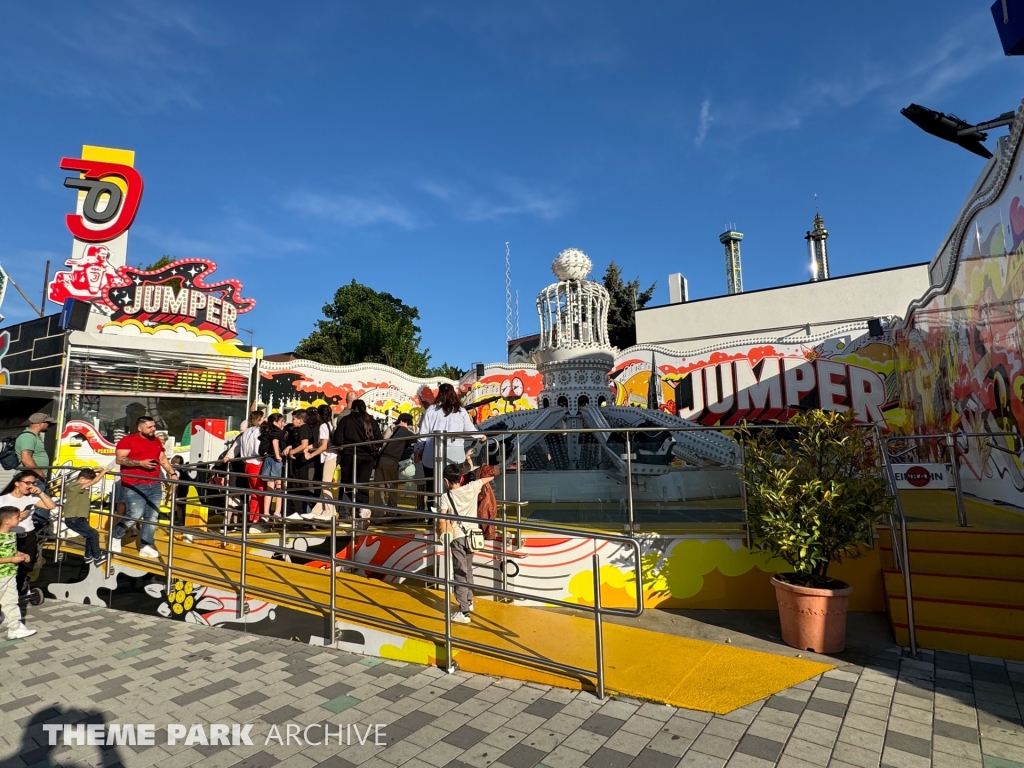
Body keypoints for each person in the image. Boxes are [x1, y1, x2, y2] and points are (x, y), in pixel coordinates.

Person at [437, 458, 495, 625]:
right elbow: (490, 476)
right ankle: (469, 602)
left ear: (446, 481)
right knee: (468, 570)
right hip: (473, 536)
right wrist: (482, 471)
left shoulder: (445, 497)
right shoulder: (471, 487)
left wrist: (442, 534)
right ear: (461, 478)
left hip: (457, 537)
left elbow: (442, 519)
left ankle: (464, 612)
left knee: (459, 573)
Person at [111, 416, 178, 558]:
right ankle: (116, 536)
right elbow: (120, 459)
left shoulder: (156, 441)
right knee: (134, 514)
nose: (153, 429)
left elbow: (162, 459)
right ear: (139, 428)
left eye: (154, 426)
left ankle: (146, 545)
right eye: (149, 427)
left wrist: (172, 473)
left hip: (154, 484)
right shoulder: (128, 440)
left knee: (152, 516)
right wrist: (140, 463)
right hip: (133, 483)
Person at [415, 383, 482, 495]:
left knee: (432, 489)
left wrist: (418, 450)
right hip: (455, 457)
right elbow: (470, 429)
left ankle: (434, 509)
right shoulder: (460, 411)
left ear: (439, 394)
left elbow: (423, 434)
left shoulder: (431, 410)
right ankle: (452, 510)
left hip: (432, 455)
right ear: (453, 394)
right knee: (454, 489)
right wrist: (481, 435)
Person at [0, 472, 56, 601]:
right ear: (17, 483)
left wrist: (40, 493)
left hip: (29, 535)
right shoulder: (3, 499)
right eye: (27, 483)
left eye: (33, 483)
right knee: (11, 564)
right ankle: (10, 594)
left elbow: (51, 506)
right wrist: (17, 517)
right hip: (9, 537)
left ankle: (18, 592)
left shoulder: (31, 498)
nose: (30, 486)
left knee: (26, 565)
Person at [335, 400, 382, 524]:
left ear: (352, 408)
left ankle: (345, 514)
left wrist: (346, 445)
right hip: (368, 457)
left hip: (350, 455)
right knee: (363, 485)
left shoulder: (346, 420)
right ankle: (363, 510)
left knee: (347, 484)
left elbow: (337, 439)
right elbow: (379, 440)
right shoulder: (371, 421)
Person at [0, 507, 35, 640]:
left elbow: (11, 551)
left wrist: (21, 554)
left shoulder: (11, 534)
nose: (19, 519)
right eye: (16, 517)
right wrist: (11, 559)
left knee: (11, 601)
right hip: (1, 575)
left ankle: (15, 628)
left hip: (10, 574)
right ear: (6, 521)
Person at [61, 467, 107, 567]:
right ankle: (97, 557)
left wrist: (93, 471)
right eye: (87, 482)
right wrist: (103, 472)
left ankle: (88, 556)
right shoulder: (73, 486)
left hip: (79, 518)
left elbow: (88, 478)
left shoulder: (78, 486)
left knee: (89, 536)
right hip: (74, 519)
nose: (88, 485)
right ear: (81, 479)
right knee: (94, 534)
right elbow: (95, 481)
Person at [376, 413, 417, 510]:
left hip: (381, 459)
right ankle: (392, 512)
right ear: (405, 422)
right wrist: (408, 429)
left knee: (379, 488)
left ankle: (378, 514)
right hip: (391, 460)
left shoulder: (391, 428)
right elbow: (416, 438)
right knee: (392, 487)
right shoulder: (403, 430)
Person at [306, 404, 338, 521]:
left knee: (325, 485)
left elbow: (323, 446)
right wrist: (308, 447)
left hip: (329, 456)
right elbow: (320, 444)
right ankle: (318, 510)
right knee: (324, 484)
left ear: (319, 415)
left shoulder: (323, 426)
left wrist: (311, 454)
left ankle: (330, 511)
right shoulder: (329, 425)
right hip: (331, 456)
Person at [282, 409, 316, 520]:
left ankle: (310, 509)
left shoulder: (304, 428)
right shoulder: (297, 429)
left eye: (294, 419)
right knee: (297, 486)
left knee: (303, 486)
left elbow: (304, 444)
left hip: (304, 463)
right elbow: (297, 443)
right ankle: (299, 511)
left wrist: (292, 452)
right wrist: (290, 446)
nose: (292, 421)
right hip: (298, 462)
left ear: (300, 420)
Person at [238, 411, 266, 523]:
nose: (265, 420)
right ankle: (259, 518)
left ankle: (252, 517)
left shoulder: (246, 432)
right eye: (263, 418)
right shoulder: (259, 431)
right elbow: (257, 449)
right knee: (261, 492)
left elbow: (243, 451)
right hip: (256, 463)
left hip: (247, 464)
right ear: (259, 419)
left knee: (254, 493)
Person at [258, 414, 286, 518]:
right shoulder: (279, 433)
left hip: (267, 459)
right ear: (275, 422)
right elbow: (275, 442)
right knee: (279, 486)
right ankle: (277, 512)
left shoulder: (266, 432)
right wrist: (278, 455)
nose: (283, 423)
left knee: (269, 487)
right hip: (275, 460)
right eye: (282, 421)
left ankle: (265, 513)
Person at [15, 413, 55, 480]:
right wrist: (40, 474)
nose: (48, 424)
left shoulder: (34, 436)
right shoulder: (28, 437)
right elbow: (26, 459)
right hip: (30, 479)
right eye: (47, 422)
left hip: (34, 477)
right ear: (40, 424)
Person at [169, 456, 196, 526]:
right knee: (183, 505)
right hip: (187, 488)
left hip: (181, 488)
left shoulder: (177, 471)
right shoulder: (184, 469)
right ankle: (183, 521)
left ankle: (181, 521)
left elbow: (175, 481)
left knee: (179, 506)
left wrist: (172, 490)